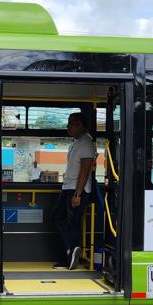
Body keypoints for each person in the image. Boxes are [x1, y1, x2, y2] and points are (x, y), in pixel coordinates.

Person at [52, 112, 96, 270]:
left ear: (80, 125)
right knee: (60, 218)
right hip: (68, 187)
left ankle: (71, 252)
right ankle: (71, 249)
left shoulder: (86, 143)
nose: (67, 127)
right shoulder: (76, 142)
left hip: (76, 190)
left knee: (70, 221)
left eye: (70, 124)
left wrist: (78, 193)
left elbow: (85, 170)